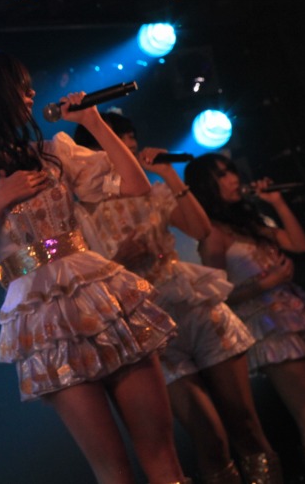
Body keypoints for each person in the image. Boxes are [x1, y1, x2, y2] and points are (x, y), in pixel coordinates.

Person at [0, 50, 185, 484]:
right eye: (20, 87)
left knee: (162, 456)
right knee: (113, 471)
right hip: (41, 317)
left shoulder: (53, 152)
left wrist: (94, 124)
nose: (31, 96)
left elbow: (137, 185)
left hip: (99, 294)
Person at [74, 114, 275, 484]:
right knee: (209, 439)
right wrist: (118, 262)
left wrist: (169, 175)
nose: (129, 148)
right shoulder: (77, 213)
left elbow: (200, 229)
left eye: (131, 140)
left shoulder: (150, 189)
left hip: (193, 306)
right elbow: (76, 280)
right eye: (118, 141)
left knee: (246, 425)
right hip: (148, 328)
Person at [186, 153, 305, 484]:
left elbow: (298, 244)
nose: (233, 179)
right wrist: (266, 283)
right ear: (207, 187)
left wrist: (276, 203)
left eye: (231, 171)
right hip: (267, 327)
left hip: (295, 316)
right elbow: (218, 295)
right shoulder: (213, 235)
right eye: (222, 175)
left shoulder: (248, 223)